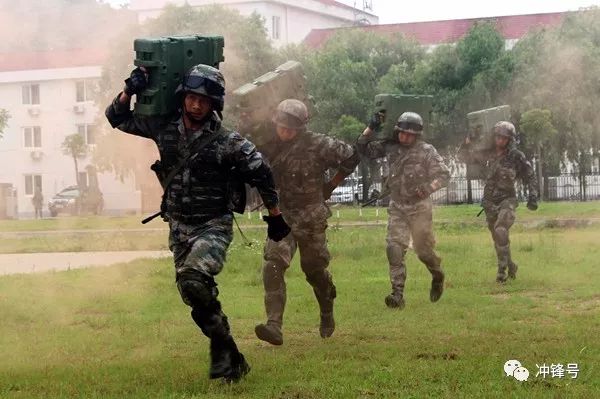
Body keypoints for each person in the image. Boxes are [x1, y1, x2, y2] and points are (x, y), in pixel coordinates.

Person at [105, 65, 290, 382]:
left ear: (214, 104)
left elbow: (262, 172)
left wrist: (275, 218)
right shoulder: (163, 128)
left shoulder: (228, 142)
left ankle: (220, 351)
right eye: (192, 97)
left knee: (192, 279)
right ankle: (232, 353)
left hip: (212, 225)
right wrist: (129, 90)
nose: (197, 105)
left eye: (205, 100)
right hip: (178, 226)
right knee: (194, 294)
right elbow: (116, 118)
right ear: (182, 97)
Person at [254, 99, 359, 345]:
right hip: (283, 215)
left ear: (301, 127)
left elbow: (352, 156)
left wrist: (331, 185)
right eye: (281, 127)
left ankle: (326, 310)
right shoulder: (269, 144)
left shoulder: (319, 144)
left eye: (290, 128)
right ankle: (274, 325)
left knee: (314, 272)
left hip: (312, 216)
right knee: (273, 266)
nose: (285, 132)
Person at [357, 112, 450, 309]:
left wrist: (428, 188)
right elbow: (362, 148)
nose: (404, 137)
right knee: (394, 248)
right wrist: (371, 127)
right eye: (401, 133)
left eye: (409, 134)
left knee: (423, 251)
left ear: (417, 135)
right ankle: (397, 295)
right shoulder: (390, 147)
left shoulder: (427, 151)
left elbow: (444, 175)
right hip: (397, 206)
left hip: (419, 209)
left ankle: (437, 273)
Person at [459, 121, 538, 282]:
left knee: (501, 230)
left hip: (507, 200)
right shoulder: (486, 153)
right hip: (489, 202)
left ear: (510, 140)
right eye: (498, 136)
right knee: (498, 239)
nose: (500, 140)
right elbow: (463, 158)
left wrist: (533, 196)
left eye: (504, 138)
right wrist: (466, 142)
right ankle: (510, 265)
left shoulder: (516, 156)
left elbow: (530, 175)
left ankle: (501, 272)